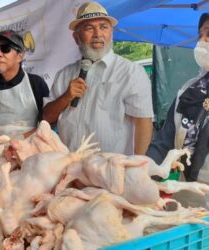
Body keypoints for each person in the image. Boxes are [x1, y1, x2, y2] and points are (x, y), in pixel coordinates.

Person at [43, 2, 153, 154]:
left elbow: (143, 123)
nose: (98, 34)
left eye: (103, 27)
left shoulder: (131, 72)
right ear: (76, 37)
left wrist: (139, 167)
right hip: (68, 168)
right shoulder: (64, 75)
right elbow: (47, 118)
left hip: (108, 171)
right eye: (89, 28)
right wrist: (66, 97)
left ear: (111, 32)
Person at [146, 13, 209, 208]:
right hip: (190, 194)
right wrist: (143, 170)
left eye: (208, 35)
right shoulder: (188, 91)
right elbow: (164, 141)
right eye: (201, 35)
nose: (202, 42)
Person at [0, 30, 49, 138]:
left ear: (20, 56)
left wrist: (19, 139)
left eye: (5, 49)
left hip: (29, 149)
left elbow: (47, 124)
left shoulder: (35, 83)